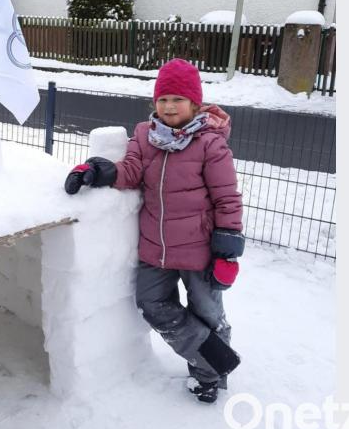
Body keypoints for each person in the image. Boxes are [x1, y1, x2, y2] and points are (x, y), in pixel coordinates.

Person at [64, 59, 245, 403]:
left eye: (177, 99)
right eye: (162, 99)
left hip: (200, 251)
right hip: (154, 249)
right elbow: (130, 171)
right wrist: (96, 171)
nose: (169, 106)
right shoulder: (146, 137)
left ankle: (209, 376)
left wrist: (227, 249)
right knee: (151, 303)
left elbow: (227, 199)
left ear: (194, 103)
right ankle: (215, 360)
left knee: (207, 313)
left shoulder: (210, 145)